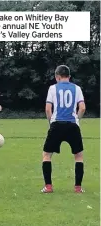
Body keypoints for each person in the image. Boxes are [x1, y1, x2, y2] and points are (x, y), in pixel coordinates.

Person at [41, 65, 86, 193]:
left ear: (57, 77)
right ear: (69, 77)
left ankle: (48, 186)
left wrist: (51, 123)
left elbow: (48, 109)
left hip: (57, 124)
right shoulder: (77, 88)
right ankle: (77, 187)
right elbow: (82, 107)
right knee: (78, 156)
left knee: (47, 155)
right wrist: (77, 120)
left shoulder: (53, 88)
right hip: (72, 125)